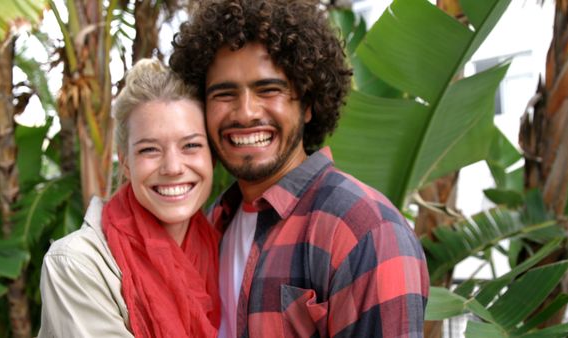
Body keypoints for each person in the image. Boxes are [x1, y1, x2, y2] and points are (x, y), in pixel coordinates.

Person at [169, 0, 429, 337]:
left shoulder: (364, 230)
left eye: (269, 90)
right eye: (224, 94)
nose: (245, 113)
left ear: (308, 104)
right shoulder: (212, 222)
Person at [37, 59, 220, 337]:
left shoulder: (226, 247)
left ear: (212, 155)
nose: (172, 167)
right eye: (149, 150)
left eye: (191, 145)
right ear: (125, 163)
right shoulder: (77, 264)